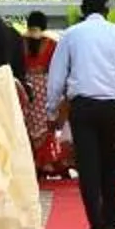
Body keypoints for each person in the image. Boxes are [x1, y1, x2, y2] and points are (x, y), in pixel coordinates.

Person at [46, 0, 115, 229]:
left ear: (82, 10)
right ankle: (111, 221)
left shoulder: (71, 35)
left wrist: (52, 111)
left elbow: (57, 77)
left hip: (83, 107)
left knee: (88, 168)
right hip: (113, 107)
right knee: (111, 165)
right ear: (107, 10)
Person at [19, 9, 70, 180]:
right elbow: (56, 69)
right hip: (44, 86)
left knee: (28, 123)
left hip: (25, 86)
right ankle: (46, 162)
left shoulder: (20, 42)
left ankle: (31, 162)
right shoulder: (51, 43)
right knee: (45, 123)